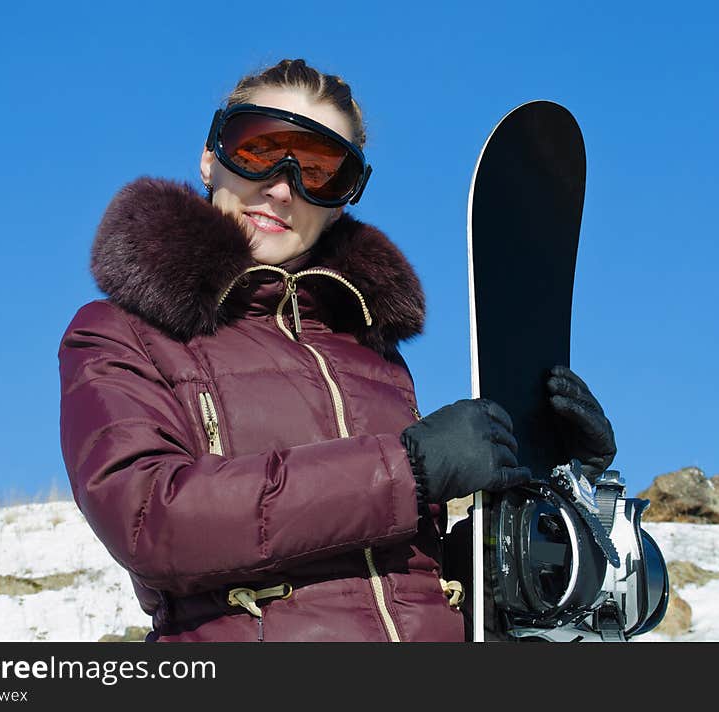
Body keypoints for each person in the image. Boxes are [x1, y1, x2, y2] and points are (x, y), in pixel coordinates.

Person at [58, 58, 616, 642]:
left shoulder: (367, 348)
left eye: (320, 170)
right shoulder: (119, 332)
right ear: (210, 156)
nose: (281, 188)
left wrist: (558, 482)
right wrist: (406, 469)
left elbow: (413, 577)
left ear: (343, 198)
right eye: (258, 149)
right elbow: (151, 521)